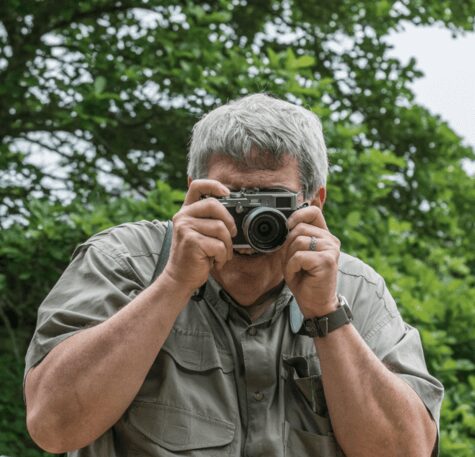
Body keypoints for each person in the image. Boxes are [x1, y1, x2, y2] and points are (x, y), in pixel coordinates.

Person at [24, 94, 443, 457]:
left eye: (273, 202)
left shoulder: (353, 287)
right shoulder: (125, 261)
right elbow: (53, 426)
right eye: (233, 200)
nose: (250, 224)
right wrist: (173, 283)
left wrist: (327, 315)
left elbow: (406, 451)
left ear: (315, 200)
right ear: (193, 189)